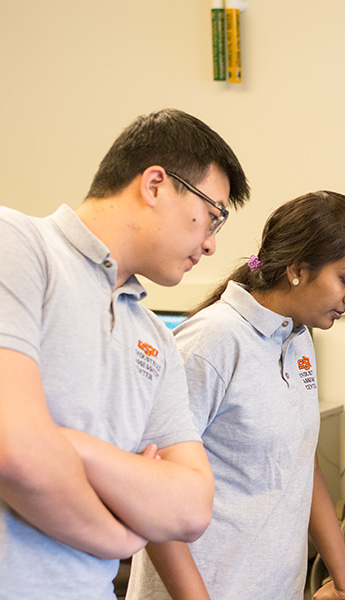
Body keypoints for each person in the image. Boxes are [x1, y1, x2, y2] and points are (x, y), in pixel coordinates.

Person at [0, 108, 250, 599]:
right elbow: (17, 453)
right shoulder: (18, 244)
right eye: (212, 213)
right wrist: (122, 535)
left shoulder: (154, 336)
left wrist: (70, 445)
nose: (213, 243)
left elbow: (191, 508)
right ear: (155, 184)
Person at [126, 191, 345, 600]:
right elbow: (151, 490)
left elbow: (300, 459)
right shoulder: (213, 341)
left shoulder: (298, 337)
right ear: (297, 270)